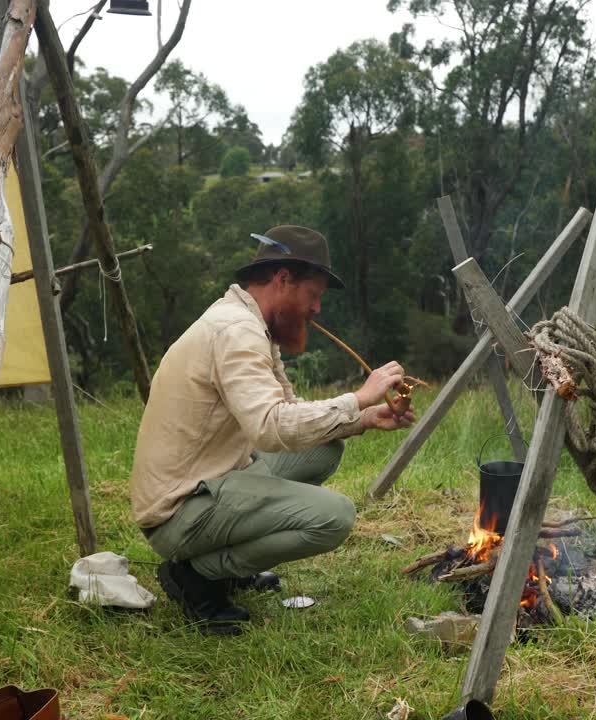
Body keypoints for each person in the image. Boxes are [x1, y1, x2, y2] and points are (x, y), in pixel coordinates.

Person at [130, 225, 415, 635]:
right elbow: (269, 428)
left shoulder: (250, 325)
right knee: (334, 516)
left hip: (213, 478)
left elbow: (286, 413)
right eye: (312, 295)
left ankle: (226, 563)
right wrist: (360, 398)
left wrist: (363, 419)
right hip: (179, 511)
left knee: (324, 448)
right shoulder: (236, 331)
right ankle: (199, 575)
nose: (317, 309)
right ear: (282, 279)